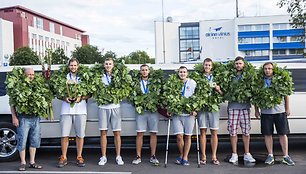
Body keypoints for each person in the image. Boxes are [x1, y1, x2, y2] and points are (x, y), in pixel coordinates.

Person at [254, 62, 295, 166]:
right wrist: (256, 110)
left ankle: (286, 156)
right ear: (263, 70)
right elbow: (255, 97)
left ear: (273, 70)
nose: (267, 70)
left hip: (280, 111)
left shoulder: (279, 80)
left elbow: (285, 95)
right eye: (266, 69)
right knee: (268, 134)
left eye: (270, 68)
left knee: (283, 133)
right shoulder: (259, 82)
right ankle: (270, 155)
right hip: (265, 112)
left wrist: (287, 108)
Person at [58, 58, 89, 168]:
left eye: (75, 65)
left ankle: (79, 156)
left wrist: (81, 98)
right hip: (66, 110)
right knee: (64, 134)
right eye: (71, 65)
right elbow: (57, 93)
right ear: (69, 66)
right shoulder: (63, 77)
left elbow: (90, 93)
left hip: (80, 110)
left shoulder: (84, 77)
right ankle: (64, 156)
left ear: (78, 66)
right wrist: (64, 98)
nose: (73, 67)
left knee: (80, 134)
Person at [11, 68, 43, 171]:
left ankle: (32, 162)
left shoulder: (37, 86)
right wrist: (14, 117)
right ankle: (23, 162)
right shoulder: (18, 86)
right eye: (29, 74)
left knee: (34, 140)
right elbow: (12, 103)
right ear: (24, 75)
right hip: (23, 118)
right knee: (22, 140)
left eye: (33, 74)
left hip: (35, 118)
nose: (31, 76)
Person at [227, 56, 256, 164]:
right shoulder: (230, 76)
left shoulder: (249, 76)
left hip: (245, 107)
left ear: (244, 64)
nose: (238, 65)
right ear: (234, 65)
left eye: (240, 63)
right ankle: (234, 154)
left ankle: (247, 153)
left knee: (246, 131)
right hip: (233, 107)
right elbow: (225, 91)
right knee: (233, 131)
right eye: (236, 63)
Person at [131, 64, 160, 165]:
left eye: (146, 70)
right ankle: (138, 156)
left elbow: (159, 95)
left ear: (149, 71)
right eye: (142, 70)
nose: (144, 72)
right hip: (141, 111)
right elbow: (132, 96)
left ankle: (153, 156)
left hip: (152, 111)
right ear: (140, 72)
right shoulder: (136, 83)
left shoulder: (154, 82)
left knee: (153, 133)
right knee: (140, 133)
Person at [98, 58, 124, 166]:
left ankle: (118, 156)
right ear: (104, 65)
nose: (108, 65)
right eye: (106, 64)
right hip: (103, 107)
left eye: (110, 64)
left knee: (116, 132)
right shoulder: (99, 76)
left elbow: (123, 89)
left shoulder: (118, 76)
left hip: (115, 106)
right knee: (103, 132)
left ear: (113, 66)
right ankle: (103, 156)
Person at [198, 58, 223, 165]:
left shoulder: (217, 78)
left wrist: (218, 89)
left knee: (214, 131)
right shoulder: (198, 78)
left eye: (209, 65)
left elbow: (223, 95)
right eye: (205, 65)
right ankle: (203, 157)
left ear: (211, 66)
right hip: (202, 107)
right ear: (203, 66)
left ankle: (214, 156)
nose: (207, 67)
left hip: (213, 107)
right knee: (202, 131)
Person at [172, 66, 197, 166]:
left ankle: (185, 157)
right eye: (180, 72)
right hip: (177, 113)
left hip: (189, 114)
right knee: (179, 136)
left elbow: (197, 96)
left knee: (188, 136)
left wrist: (195, 109)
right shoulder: (173, 83)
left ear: (187, 73)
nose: (182, 74)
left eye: (184, 72)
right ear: (178, 73)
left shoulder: (192, 82)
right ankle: (182, 154)